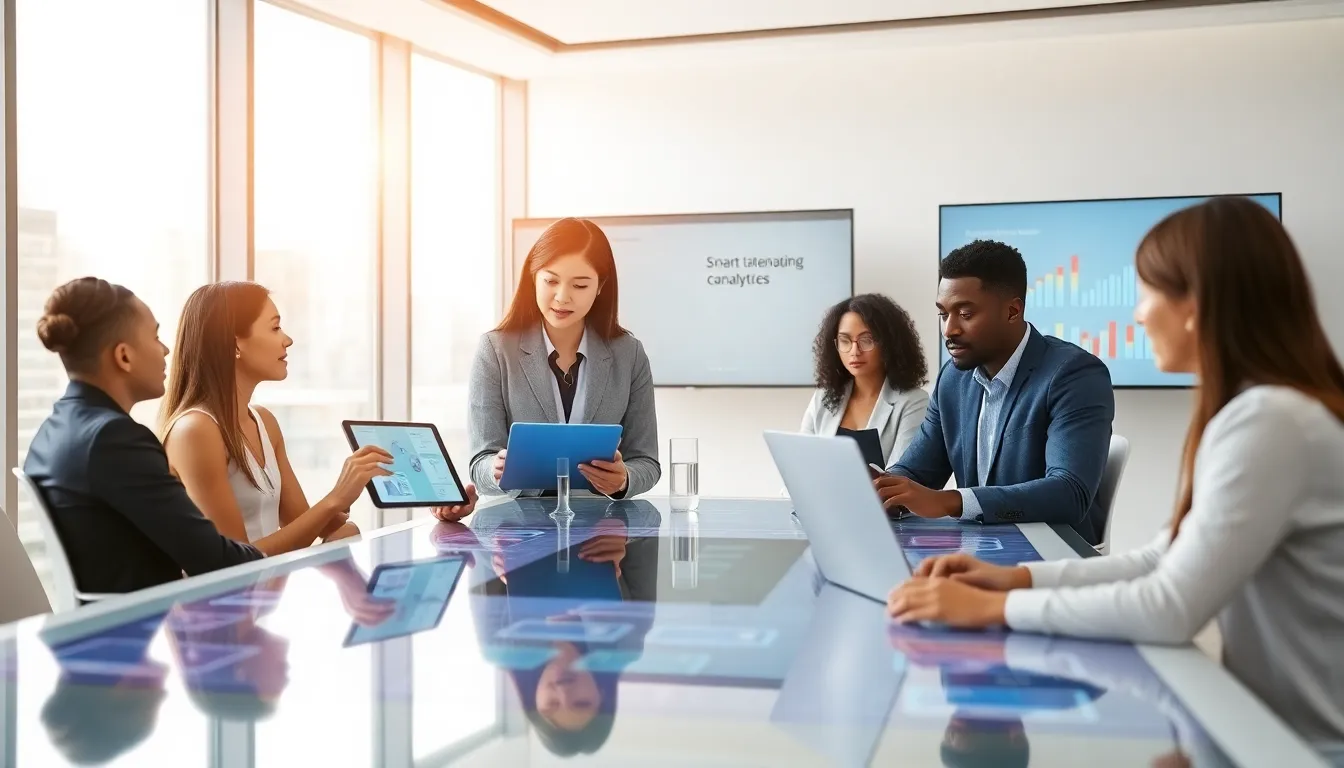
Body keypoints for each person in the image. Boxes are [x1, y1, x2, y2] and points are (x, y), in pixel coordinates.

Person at [887, 198, 1344, 765]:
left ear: (1199, 304)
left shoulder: (1271, 422)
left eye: (1150, 293)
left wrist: (991, 610)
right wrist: (1013, 581)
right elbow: (1162, 559)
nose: (1139, 315)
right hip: (1260, 736)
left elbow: (1169, 607)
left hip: (1304, 749)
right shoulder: (1260, 412)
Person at [159, 282, 477, 554]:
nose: (288, 339)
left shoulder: (263, 422)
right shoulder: (196, 430)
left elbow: (311, 525)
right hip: (216, 611)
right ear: (235, 343)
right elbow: (233, 560)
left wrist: (445, 503)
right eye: (274, 327)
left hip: (261, 600)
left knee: (346, 531)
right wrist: (336, 497)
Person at [23, 277, 263, 594]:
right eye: (155, 336)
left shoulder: (54, 429)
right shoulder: (115, 439)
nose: (165, 350)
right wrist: (272, 560)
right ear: (124, 356)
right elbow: (215, 561)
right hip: (139, 628)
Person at [874, 239, 1115, 545]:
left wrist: (951, 501)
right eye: (943, 314)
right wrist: (883, 485)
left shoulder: (1073, 374)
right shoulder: (953, 379)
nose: (949, 329)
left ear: (1013, 311)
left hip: (1051, 554)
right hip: (982, 548)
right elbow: (916, 471)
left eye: (965, 313)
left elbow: (1069, 493)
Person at [468, 218, 659, 499]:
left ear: (600, 286)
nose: (562, 297)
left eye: (580, 286)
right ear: (533, 277)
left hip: (599, 532)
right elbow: (480, 462)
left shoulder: (629, 354)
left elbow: (646, 462)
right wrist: (495, 469)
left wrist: (623, 480)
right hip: (518, 530)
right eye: (550, 281)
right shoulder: (495, 350)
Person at [798, 293, 929, 467]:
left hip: (881, 495)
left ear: (889, 343)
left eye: (866, 340)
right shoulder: (822, 398)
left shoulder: (914, 401)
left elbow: (902, 477)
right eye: (845, 341)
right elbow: (799, 464)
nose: (854, 351)